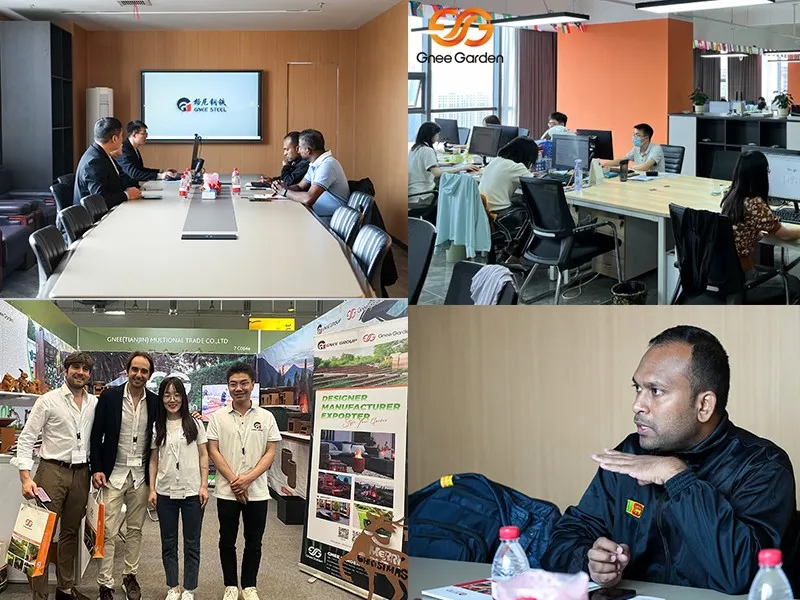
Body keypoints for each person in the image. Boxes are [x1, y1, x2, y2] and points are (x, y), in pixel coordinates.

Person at [540, 326, 796, 595]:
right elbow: (561, 542)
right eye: (637, 388)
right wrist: (589, 560)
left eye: (656, 391)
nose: (638, 404)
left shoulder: (762, 466)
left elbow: (744, 575)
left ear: (704, 405)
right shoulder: (631, 454)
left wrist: (678, 477)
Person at [13, 352, 97, 600]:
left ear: (89, 374)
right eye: (75, 367)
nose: (80, 372)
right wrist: (25, 477)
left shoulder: (94, 403)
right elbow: (27, 437)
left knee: (71, 532)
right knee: (43, 534)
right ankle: (39, 595)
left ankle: (65, 588)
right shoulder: (48, 401)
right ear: (66, 370)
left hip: (81, 474)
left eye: (85, 369)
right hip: (51, 472)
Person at [207, 363, 281, 600]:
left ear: (252, 385)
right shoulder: (218, 417)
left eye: (243, 383)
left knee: (254, 541)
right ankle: (230, 585)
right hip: (227, 491)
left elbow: (270, 452)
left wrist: (247, 480)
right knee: (226, 539)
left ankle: (249, 586)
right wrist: (234, 481)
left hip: (257, 491)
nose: (238, 388)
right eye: (233, 384)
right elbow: (214, 451)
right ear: (228, 387)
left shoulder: (266, 417)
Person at [90, 352, 159, 600]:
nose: (139, 375)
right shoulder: (109, 397)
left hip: (140, 477)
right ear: (127, 370)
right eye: (135, 370)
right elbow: (95, 435)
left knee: (135, 530)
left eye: (144, 371)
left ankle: (130, 576)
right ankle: (105, 583)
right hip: (113, 475)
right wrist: (96, 467)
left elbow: (161, 434)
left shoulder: (155, 401)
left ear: (149, 375)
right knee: (107, 532)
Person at [148, 377, 209, 600]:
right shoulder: (157, 426)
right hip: (165, 492)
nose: (172, 399)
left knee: (192, 543)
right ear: (161, 398)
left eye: (176, 395)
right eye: (167, 395)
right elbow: (153, 459)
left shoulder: (195, 424)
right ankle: (173, 586)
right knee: (169, 542)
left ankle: (189, 588)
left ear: (183, 397)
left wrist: (204, 485)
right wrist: (152, 489)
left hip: (192, 491)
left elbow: (204, 455)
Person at [719, 150, 800, 296]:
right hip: (746, 280)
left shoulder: (731, 196)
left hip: (725, 274)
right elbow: (786, 235)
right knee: (794, 284)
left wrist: (754, 231)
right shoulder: (754, 203)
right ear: (760, 176)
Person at [269, 129, 349, 224]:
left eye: (299, 147)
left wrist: (285, 192)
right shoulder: (314, 164)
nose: (298, 150)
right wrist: (282, 187)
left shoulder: (327, 165)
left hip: (330, 219)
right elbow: (300, 187)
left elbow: (308, 199)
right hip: (317, 214)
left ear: (307, 150)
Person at [478, 136, 539, 259]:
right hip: (499, 214)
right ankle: (515, 255)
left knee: (521, 201)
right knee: (535, 214)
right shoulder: (516, 167)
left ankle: (512, 250)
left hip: (484, 211)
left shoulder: (496, 160)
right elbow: (536, 185)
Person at [408, 121, 478, 208]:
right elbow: (437, 173)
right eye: (437, 135)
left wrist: (446, 164)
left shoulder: (415, 148)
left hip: (412, 194)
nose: (438, 137)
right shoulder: (427, 150)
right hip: (422, 196)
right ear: (430, 135)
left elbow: (425, 165)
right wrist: (462, 168)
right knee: (453, 197)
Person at [74, 117, 142, 207]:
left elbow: (120, 180)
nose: (123, 140)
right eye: (121, 136)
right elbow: (100, 198)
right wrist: (127, 195)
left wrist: (133, 189)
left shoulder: (102, 153)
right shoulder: (93, 162)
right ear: (114, 139)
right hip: (94, 216)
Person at [116, 120, 177, 188]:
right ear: (134, 134)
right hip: (127, 190)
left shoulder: (133, 148)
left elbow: (140, 169)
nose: (146, 136)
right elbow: (134, 173)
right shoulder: (123, 149)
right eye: (143, 134)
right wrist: (160, 176)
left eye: (146, 134)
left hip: (135, 188)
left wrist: (161, 171)